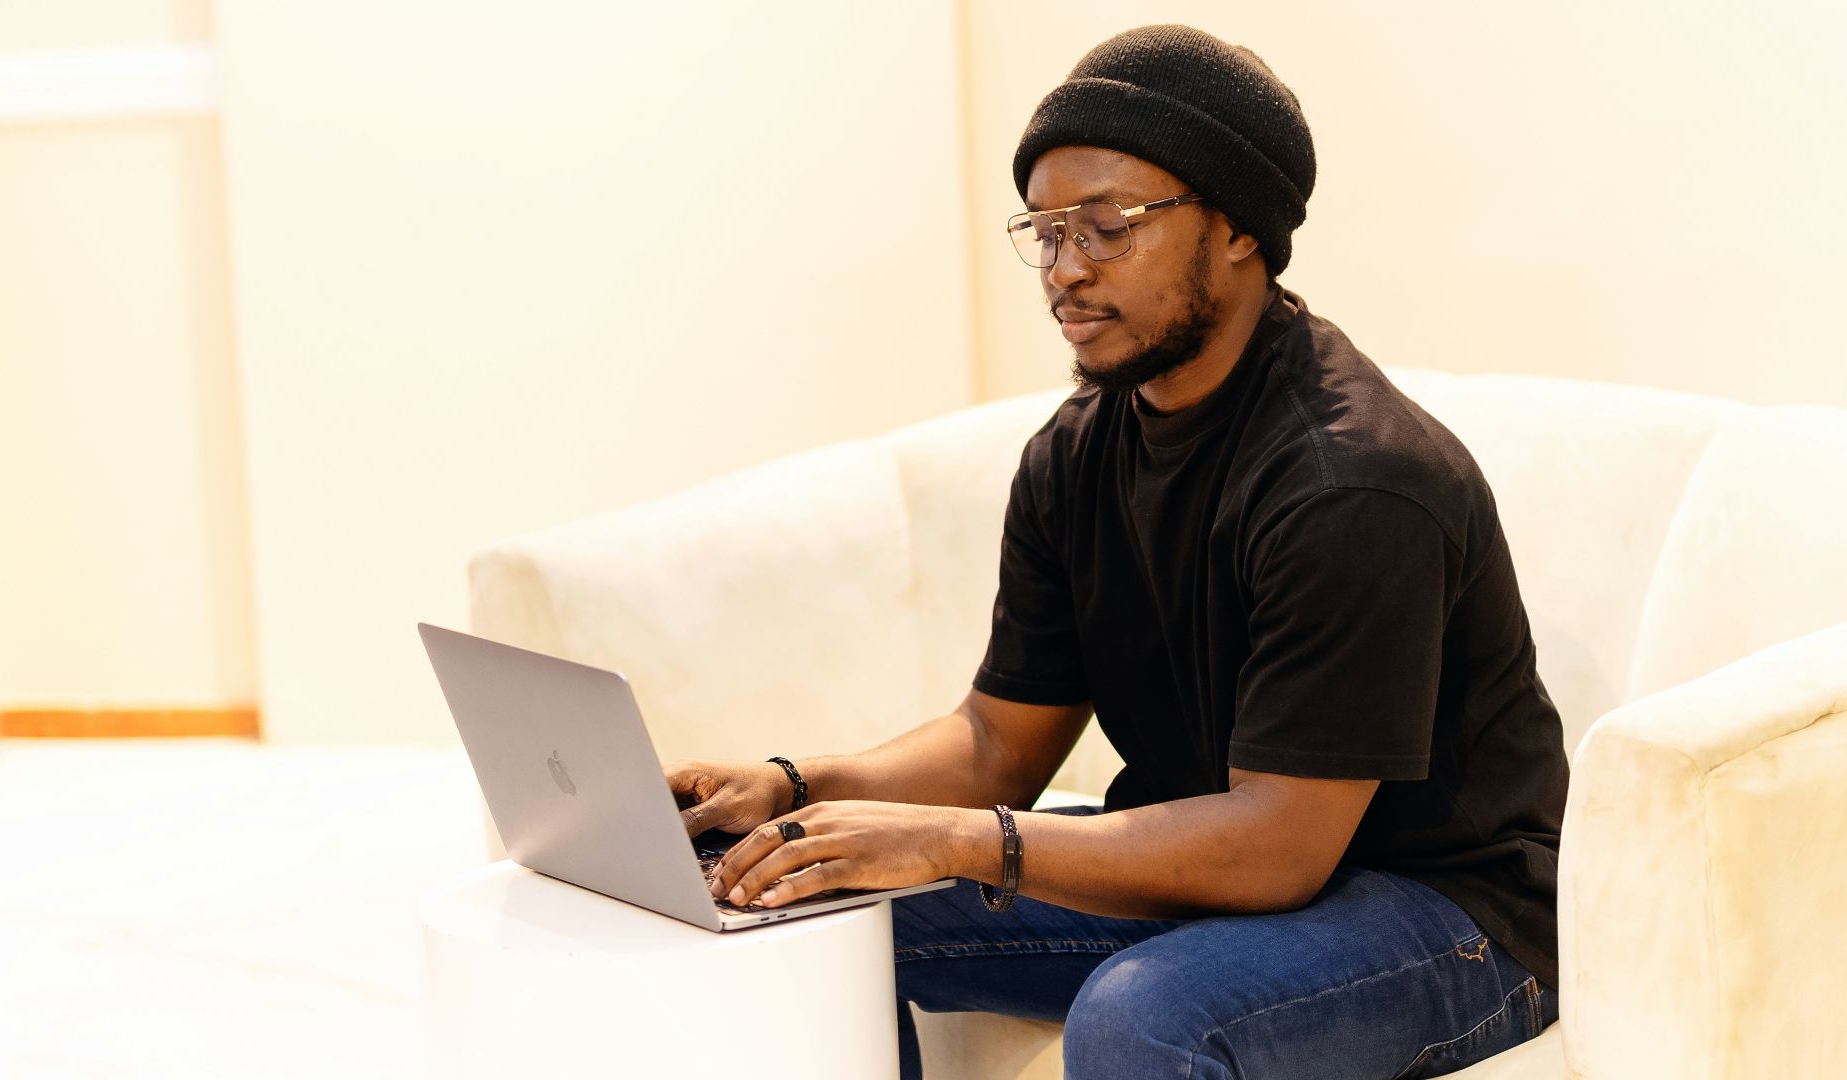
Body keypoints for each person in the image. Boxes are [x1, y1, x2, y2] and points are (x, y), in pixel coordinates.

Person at [666, 24, 1567, 1080]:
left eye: (1107, 227)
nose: (1066, 272)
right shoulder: (1076, 454)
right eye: (1045, 233)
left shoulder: (1353, 480)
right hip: (1216, 865)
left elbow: (1280, 848)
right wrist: (795, 788)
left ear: (1236, 228)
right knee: (791, 897)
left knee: (1144, 1017)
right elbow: (999, 745)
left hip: (1449, 915)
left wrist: (960, 842)